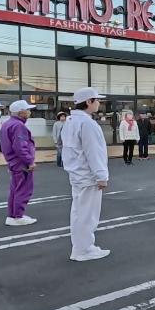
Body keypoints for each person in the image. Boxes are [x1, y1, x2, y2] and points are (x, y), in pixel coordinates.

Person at [61, 87, 111, 261]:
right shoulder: (87, 123)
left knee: (79, 212)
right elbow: (94, 152)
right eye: (97, 100)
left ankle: (80, 247)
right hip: (88, 175)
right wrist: (101, 176)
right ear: (89, 102)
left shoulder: (70, 121)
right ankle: (84, 249)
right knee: (88, 215)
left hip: (77, 174)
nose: (99, 103)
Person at [0, 100, 37, 226]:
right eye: (28, 110)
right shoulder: (18, 126)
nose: (30, 112)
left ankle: (12, 215)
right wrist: (30, 161)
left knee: (15, 189)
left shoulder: (7, 124)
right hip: (21, 162)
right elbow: (20, 146)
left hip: (12, 161)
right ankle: (18, 216)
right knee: (23, 189)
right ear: (21, 112)